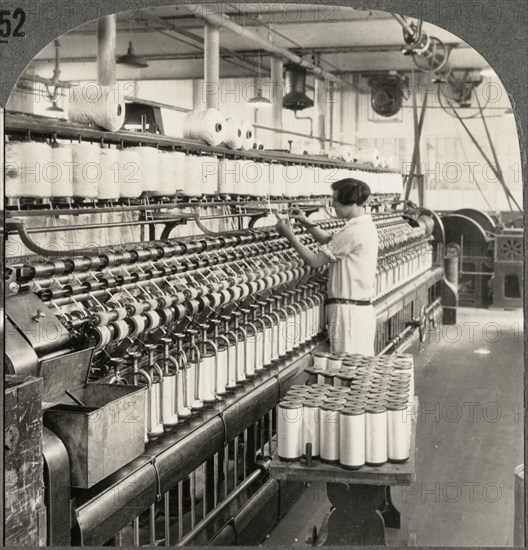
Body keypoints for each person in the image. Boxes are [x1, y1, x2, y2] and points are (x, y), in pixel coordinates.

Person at [276, 178, 379, 355]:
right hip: (356, 310)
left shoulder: (354, 231)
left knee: (346, 369)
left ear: (351, 203)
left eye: (336, 200)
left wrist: (290, 236)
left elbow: (316, 260)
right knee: (354, 368)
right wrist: (306, 222)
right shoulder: (363, 226)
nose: (333, 205)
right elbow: (332, 242)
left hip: (348, 314)